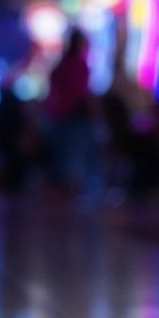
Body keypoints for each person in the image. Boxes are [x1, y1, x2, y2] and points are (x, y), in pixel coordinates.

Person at [45, 29, 97, 196]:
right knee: (76, 156)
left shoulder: (61, 65)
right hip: (76, 116)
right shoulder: (79, 65)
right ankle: (72, 195)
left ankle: (62, 195)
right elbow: (81, 92)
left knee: (61, 156)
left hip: (58, 116)